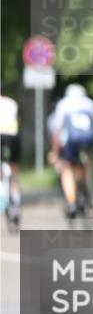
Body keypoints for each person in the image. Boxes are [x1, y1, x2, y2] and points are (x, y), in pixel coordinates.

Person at [51, 83, 93, 218]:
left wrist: (55, 152)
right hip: (88, 141)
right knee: (87, 164)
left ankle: (71, 201)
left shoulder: (63, 104)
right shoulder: (91, 104)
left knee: (67, 168)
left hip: (71, 141)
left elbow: (58, 130)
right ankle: (88, 186)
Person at [0, 83, 23, 225]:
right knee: (14, 172)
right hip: (13, 137)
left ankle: (2, 193)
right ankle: (16, 201)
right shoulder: (12, 103)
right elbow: (18, 121)